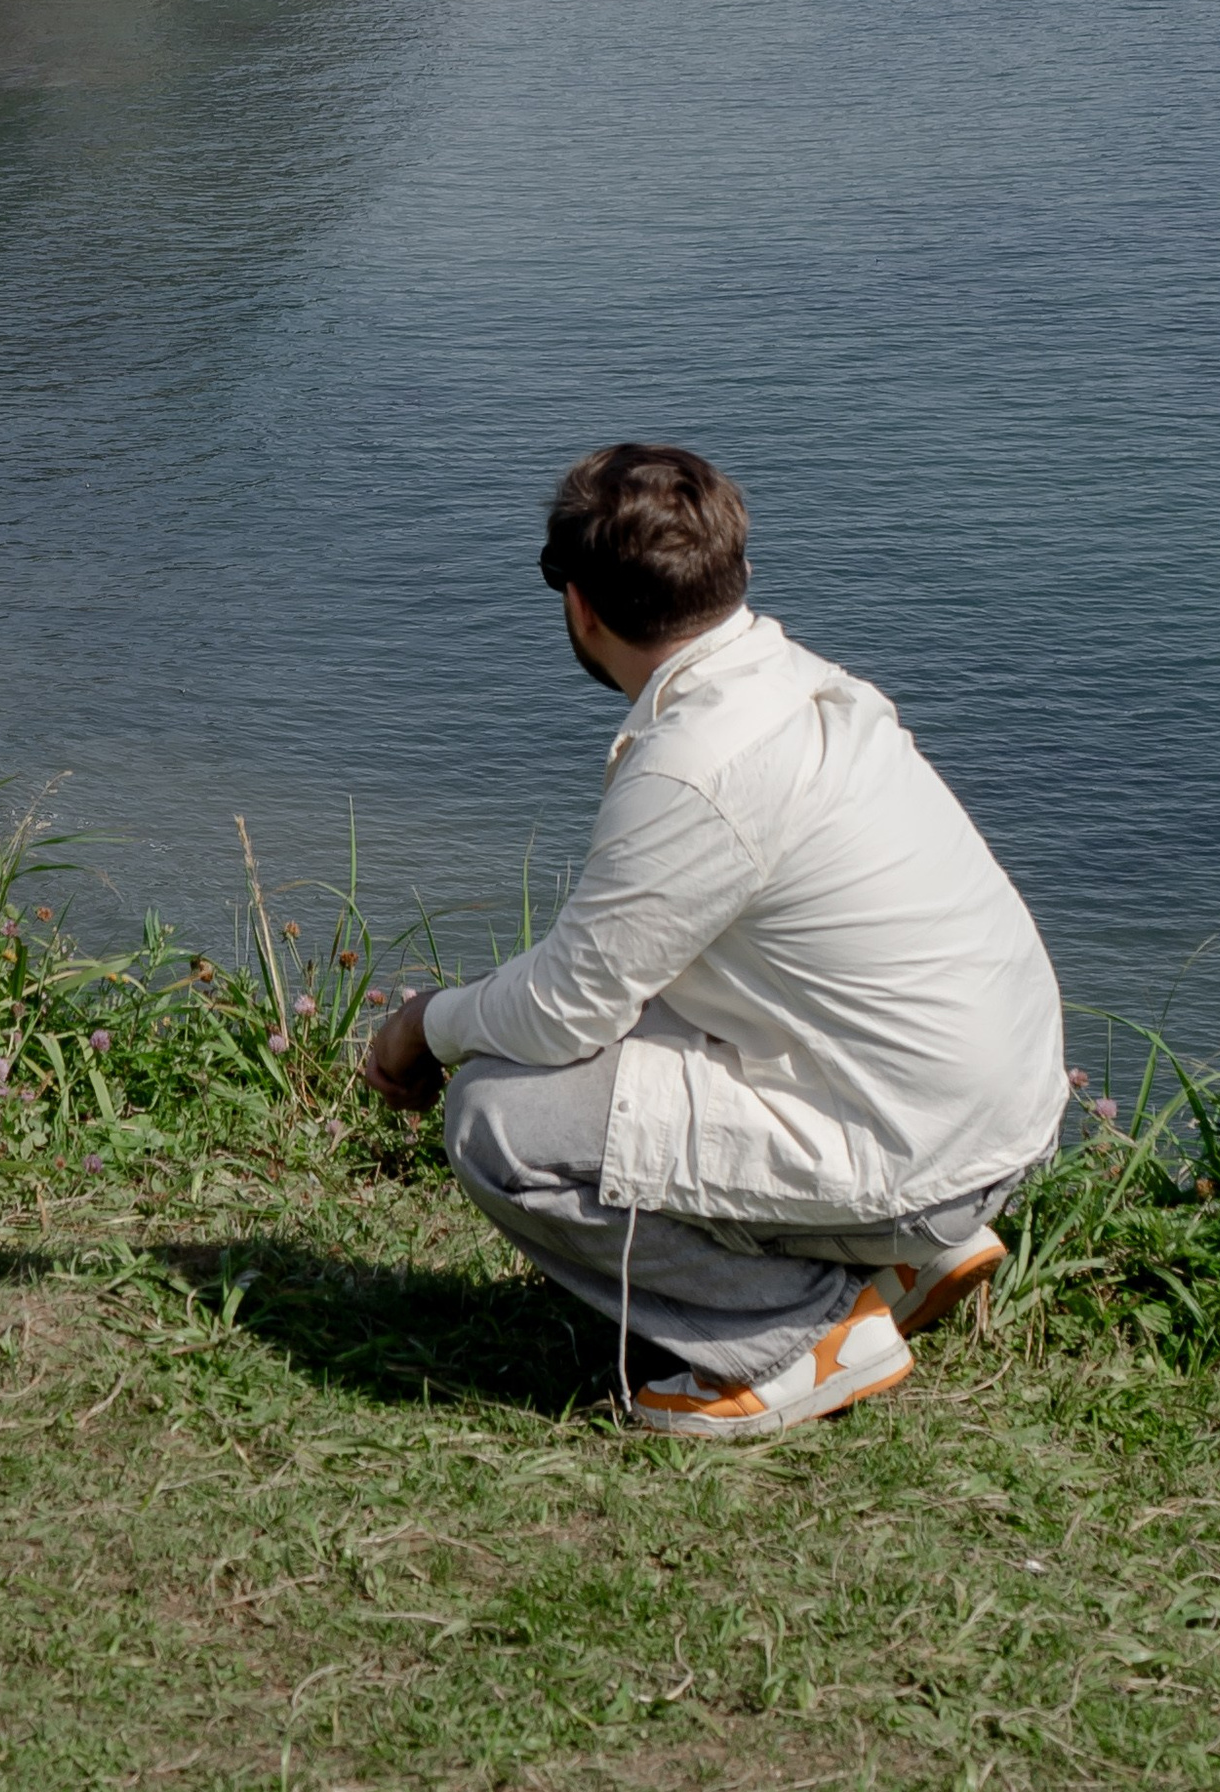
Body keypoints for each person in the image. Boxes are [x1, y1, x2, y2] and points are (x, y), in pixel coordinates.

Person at [360, 443, 1067, 1439]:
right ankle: (898, 1257)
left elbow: (566, 1008)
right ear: (730, 572)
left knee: (497, 1118)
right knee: (634, 1021)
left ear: (579, 607)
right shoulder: (798, 685)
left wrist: (422, 1025)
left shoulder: (695, 765)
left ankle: (796, 1337)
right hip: (988, 1115)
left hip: (926, 1153)